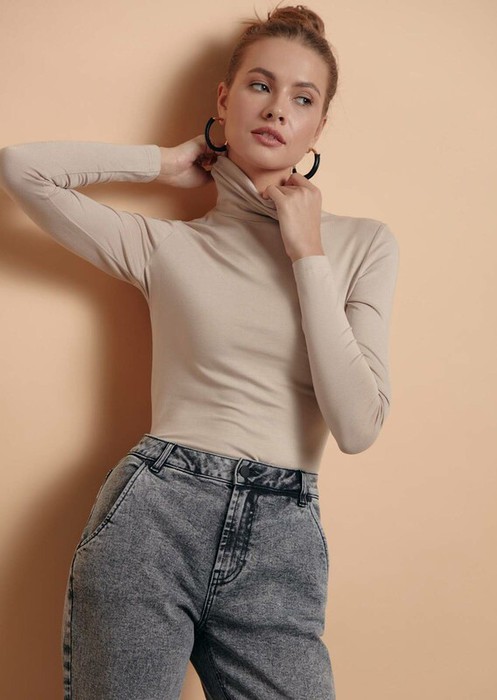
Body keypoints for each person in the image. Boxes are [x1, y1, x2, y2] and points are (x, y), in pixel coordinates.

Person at [0, 4, 399, 699]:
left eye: (302, 98)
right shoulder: (166, 246)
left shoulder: (364, 244)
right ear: (223, 99)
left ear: (318, 127)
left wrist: (306, 251)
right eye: (259, 85)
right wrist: (163, 163)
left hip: (283, 536)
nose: (276, 109)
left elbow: (358, 426)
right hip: (154, 519)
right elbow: (22, 170)